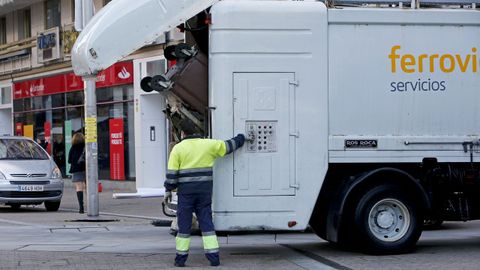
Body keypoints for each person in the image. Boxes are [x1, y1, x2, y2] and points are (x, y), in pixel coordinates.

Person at [164, 119, 245, 267]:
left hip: (186, 194)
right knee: (207, 223)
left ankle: (180, 260)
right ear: (196, 132)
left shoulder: (178, 148)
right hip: (204, 193)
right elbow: (228, 146)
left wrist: (168, 190)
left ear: (183, 133)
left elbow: (171, 175)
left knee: (184, 226)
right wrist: (242, 137)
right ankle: (214, 258)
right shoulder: (209, 144)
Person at [68, 133, 86, 213]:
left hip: (76, 169)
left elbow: (69, 160)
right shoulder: (85, 147)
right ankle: (91, 204)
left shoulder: (73, 148)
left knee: (79, 187)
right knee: (86, 187)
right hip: (85, 169)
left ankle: (81, 207)